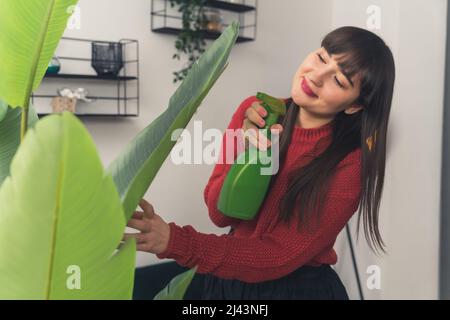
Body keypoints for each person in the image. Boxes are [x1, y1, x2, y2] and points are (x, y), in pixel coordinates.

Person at [123, 26, 396, 300]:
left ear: (354, 106)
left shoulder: (350, 164)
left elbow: (277, 256)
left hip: (296, 290)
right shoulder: (255, 111)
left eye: (338, 80)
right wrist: (245, 153)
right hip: (229, 281)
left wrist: (174, 241)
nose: (316, 76)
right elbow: (220, 215)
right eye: (322, 57)